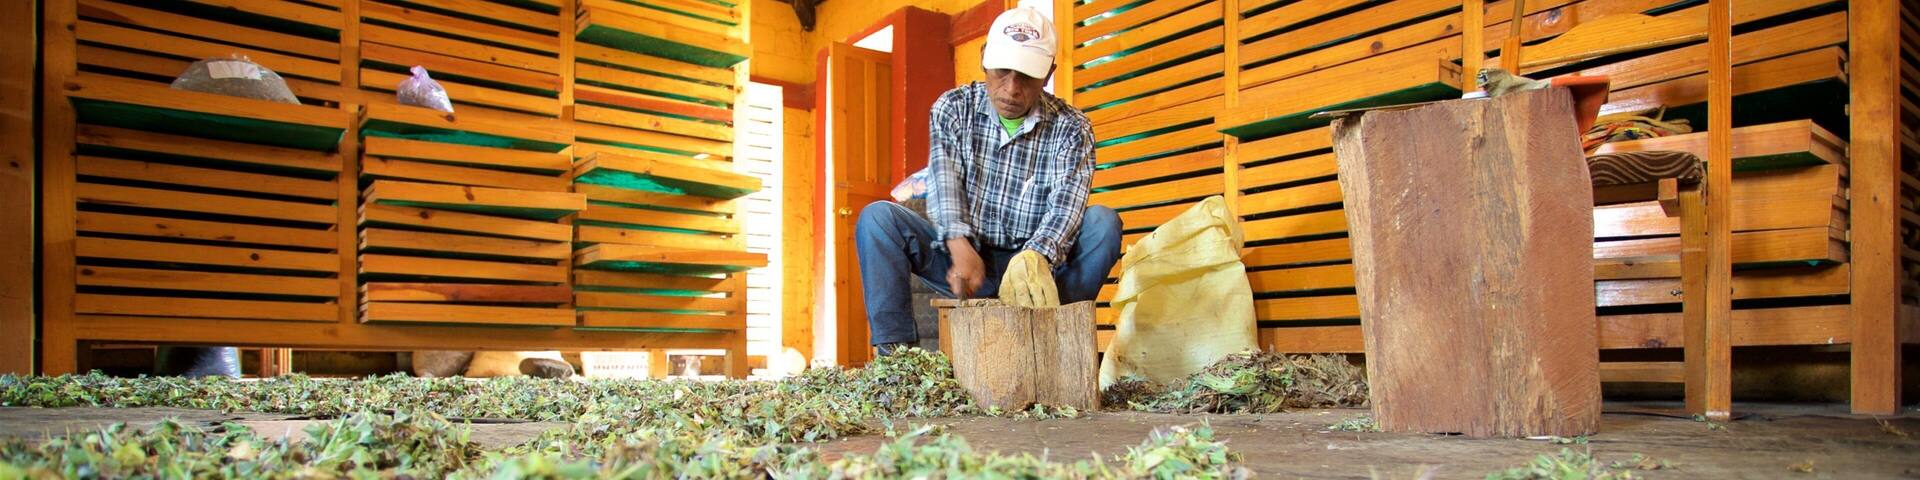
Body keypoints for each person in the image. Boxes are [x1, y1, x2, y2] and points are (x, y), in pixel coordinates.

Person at [854, 5, 1122, 356]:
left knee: (1103, 223)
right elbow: (946, 184)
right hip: (969, 263)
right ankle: (896, 358)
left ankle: (1053, 331)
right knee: (877, 219)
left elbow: (1065, 209)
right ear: (983, 58)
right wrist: (959, 245)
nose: (1011, 89)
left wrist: (1034, 259)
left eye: (1026, 77)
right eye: (1001, 72)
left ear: (1048, 74)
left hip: (1038, 274)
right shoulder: (953, 108)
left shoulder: (1072, 127)